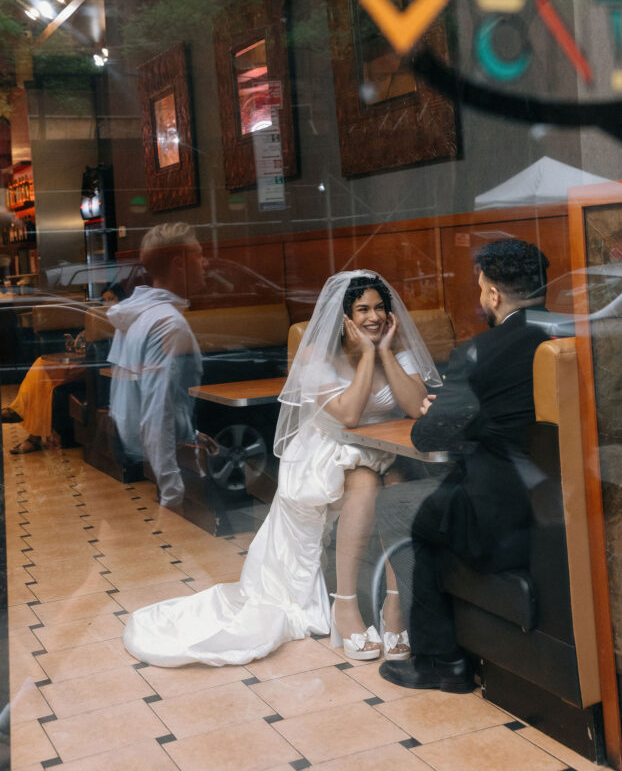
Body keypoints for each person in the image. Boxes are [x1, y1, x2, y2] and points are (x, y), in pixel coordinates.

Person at [122, 269, 441, 667]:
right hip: (326, 450)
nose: (373, 318)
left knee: (399, 482)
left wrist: (387, 352)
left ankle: (394, 610)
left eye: (379, 308)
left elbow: (413, 407)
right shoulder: (317, 356)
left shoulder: (396, 347)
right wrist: (366, 359)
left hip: (382, 447)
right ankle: (346, 606)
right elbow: (349, 416)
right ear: (344, 317)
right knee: (364, 484)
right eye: (362, 310)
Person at [375, 238, 550, 692]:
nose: (480, 298)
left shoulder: (480, 354)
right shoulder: (569, 334)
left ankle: (440, 662)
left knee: (398, 505)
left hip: (504, 519)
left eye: (480, 288)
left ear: (493, 294)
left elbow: (426, 437)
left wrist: (446, 413)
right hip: (559, 504)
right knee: (433, 510)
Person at [107, 222, 217, 507]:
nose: (205, 262)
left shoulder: (138, 314)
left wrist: (190, 432)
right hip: (170, 465)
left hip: (142, 452)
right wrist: (172, 489)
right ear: (179, 262)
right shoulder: (168, 323)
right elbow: (157, 410)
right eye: (197, 254)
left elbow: (137, 400)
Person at [3, 282, 127, 453]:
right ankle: (30, 429)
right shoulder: (99, 320)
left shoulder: (123, 319)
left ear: (121, 299)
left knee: (44, 374)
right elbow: (85, 346)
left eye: (111, 298)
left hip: (99, 372)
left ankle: (24, 418)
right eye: (104, 300)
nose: (107, 304)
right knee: (44, 372)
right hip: (87, 366)